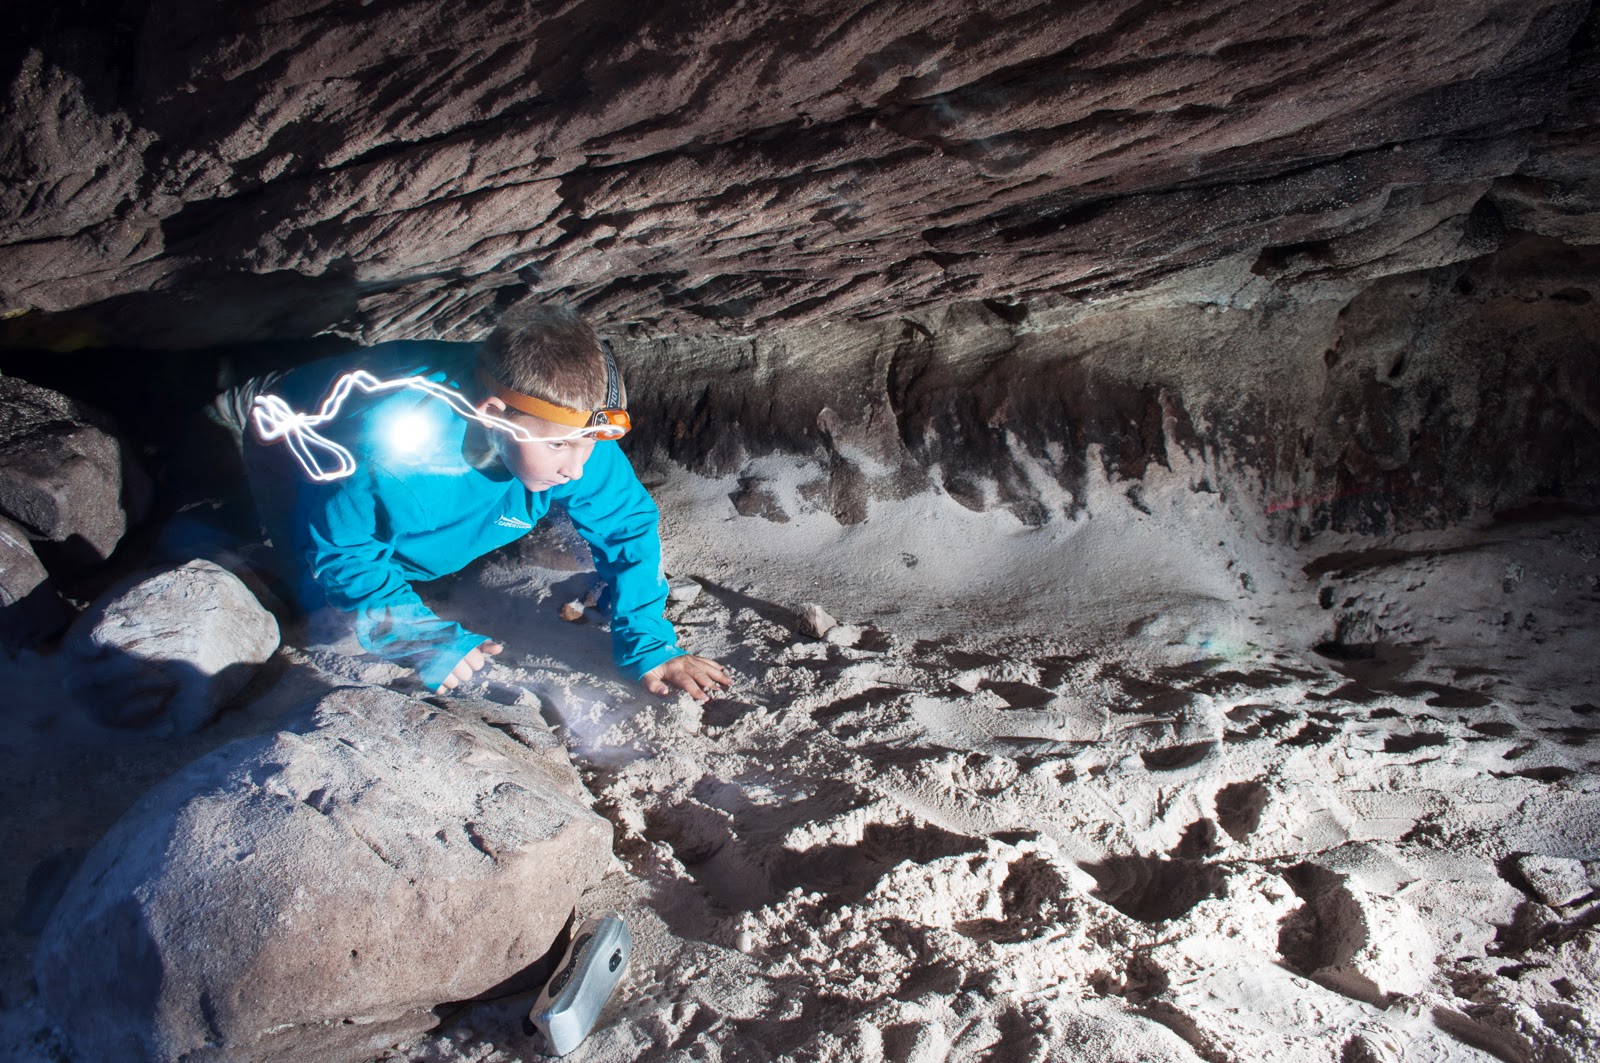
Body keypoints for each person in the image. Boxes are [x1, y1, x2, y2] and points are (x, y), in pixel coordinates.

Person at [235, 304, 731, 701]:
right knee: (314, 601)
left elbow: (626, 526)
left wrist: (649, 642)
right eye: (560, 445)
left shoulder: (571, 428)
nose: (577, 466)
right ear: (494, 417)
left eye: (590, 444)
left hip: (457, 463)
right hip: (290, 431)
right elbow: (342, 554)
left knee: (447, 546)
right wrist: (418, 635)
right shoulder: (383, 458)